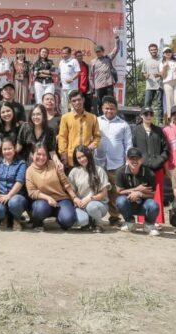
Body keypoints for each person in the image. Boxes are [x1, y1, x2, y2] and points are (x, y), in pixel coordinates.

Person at [96, 96, 132, 226]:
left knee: (115, 193)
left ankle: (114, 217)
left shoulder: (123, 124)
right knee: (96, 189)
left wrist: (128, 161)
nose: (109, 111)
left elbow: (128, 144)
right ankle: (94, 218)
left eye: (112, 108)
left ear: (116, 109)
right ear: (102, 108)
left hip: (116, 163)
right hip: (98, 162)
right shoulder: (96, 121)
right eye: (106, 108)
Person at [25, 144, 77, 230]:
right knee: (39, 209)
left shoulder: (54, 164)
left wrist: (74, 197)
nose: (41, 157)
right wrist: (48, 198)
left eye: (44, 155)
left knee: (68, 220)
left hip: (61, 199)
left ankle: (60, 219)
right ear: (32, 155)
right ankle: (38, 222)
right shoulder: (29, 171)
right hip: (43, 201)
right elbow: (32, 192)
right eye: (38, 154)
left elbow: (65, 182)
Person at [115, 147, 161, 235]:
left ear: (142, 160)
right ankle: (129, 222)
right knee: (120, 201)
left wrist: (139, 194)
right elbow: (119, 191)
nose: (135, 161)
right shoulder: (120, 172)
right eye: (132, 158)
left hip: (144, 204)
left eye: (137, 159)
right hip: (128, 203)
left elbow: (152, 194)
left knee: (154, 205)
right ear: (127, 159)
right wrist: (136, 189)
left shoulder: (149, 173)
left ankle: (149, 224)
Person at [0, 138, 28, 229]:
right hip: (1, 195)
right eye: (4, 149)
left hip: (17, 196)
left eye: (9, 148)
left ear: (14, 149)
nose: (7, 151)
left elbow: (20, 181)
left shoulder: (21, 163)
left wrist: (9, 195)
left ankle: (16, 219)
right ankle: (5, 218)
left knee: (14, 203)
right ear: (1, 151)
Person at [68, 145, 110, 232]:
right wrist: (75, 199)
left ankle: (98, 224)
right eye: (78, 158)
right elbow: (70, 190)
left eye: (83, 156)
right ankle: (89, 221)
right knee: (82, 221)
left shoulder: (99, 170)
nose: (82, 159)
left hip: (98, 204)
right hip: (81, 204)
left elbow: (104, 193)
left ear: (88, 155)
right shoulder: (74, 172)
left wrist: (89, 199)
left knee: (91, 207)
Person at [57, 90, 100, 167]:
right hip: (71, 158)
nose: (77, 102)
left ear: (83, 100)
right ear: (70, 103)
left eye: (79, 100)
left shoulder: (92, 118)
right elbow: (62, 137)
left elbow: (97, 136)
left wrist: (92, 145)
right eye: (74, 101)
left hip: (87, 158)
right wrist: (63, 154)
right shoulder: (65, 118)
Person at [57, 47, 80, 112]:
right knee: (64, 105)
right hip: (63, 88)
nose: (64, 55)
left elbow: (78, 72)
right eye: (63, 53)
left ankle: (74, 120)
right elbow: (60, 73)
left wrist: (71, 79)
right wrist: (59, 80)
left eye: (66, 53)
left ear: (70, 53)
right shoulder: (61, 62)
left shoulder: (74, 61)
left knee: (73, 104)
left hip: (72, 87)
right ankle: (64, 119)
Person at [159, 47, 176, 118]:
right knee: (169, 101)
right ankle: (170, 119)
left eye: (169, 51)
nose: (168, 53)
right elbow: (162, 76)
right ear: (164, 54)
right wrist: (164, 68)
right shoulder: (162, 63)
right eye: (166, 52)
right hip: (167, 83)